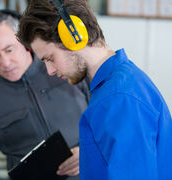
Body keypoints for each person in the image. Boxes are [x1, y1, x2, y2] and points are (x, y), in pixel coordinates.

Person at [17, 0, 172, 180]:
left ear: (74, 37)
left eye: (50, 58)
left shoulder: (119, 99)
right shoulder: (113, 87)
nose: (50, 71)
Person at [0, 9, 90, 180]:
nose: (5, 62)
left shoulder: (67, 69)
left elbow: (110, 122)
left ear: (26, 42)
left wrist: (89, 150)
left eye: (9, 50)